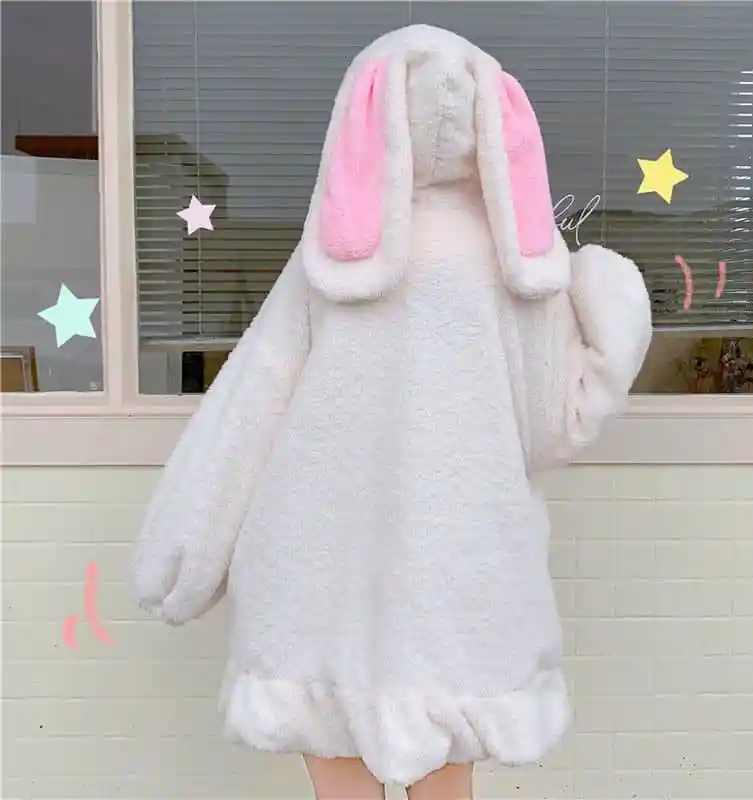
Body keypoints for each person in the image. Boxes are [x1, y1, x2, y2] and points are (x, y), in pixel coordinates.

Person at [130, 24, 653, 800]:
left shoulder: (330, 257)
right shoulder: (520, 270)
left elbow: (250, 404)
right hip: (458, 585)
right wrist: (614, 325)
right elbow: (552, 430)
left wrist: (184, 552)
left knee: (337, 773)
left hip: (319, 574)